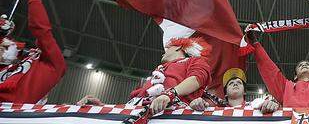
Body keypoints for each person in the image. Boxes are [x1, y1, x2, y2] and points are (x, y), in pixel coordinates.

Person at [78, 36, 212, 114]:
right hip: (137, 112)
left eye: (167, 48)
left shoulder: (194, 61)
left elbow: (196, 79)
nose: (163, 53)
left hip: (171, 113)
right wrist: (101, 109)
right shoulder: (156, 71)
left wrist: (170, 94)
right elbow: (133, 102)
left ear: (178, 47)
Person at [249, 26, 309, 108]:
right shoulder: (286, 87)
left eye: (307, 64)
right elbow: (269, 69)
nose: (304, 65)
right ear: (295, 76)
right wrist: (254, 42)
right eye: (300, 65)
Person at [189, 68, 279, 113]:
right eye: (231, 83)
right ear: (226, 94)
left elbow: (263, 104)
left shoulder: (255, 104)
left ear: (244, 92)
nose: (235, 84)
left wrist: (270, 105)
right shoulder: (213, 109)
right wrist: (196, 105)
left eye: (239, 83)